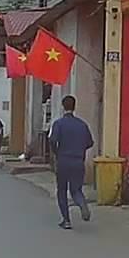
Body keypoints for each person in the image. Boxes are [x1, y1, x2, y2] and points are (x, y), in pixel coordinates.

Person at [47, 95, 93, 229]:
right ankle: (82, 203)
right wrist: (79, 149)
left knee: (62, 190)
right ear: (74, 106)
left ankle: (66, 220)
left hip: (63, 161)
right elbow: (90, 142)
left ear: (63, 107)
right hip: (78, 161)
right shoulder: (82, 125)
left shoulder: (59, 124)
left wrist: (57, 153)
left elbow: (52, 140)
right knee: (76, 190)